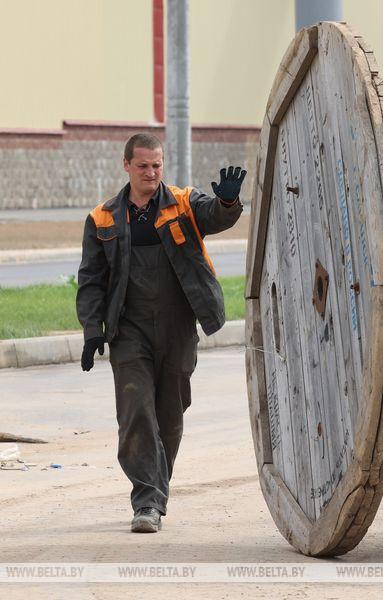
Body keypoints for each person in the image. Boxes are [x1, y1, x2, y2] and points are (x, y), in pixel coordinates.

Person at [76, 133, 245, 533]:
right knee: (136, 411)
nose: (151, 173)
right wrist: (92, 329)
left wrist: (227, 203)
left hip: (177, 327)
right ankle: (147, 502)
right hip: (129, 330)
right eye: (143, 166)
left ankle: (155, 492)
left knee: (170, 415)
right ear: (127, 166)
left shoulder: (183, 203)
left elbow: (214, 216)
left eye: (156, 165)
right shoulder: (102, 218)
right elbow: (92, 279)